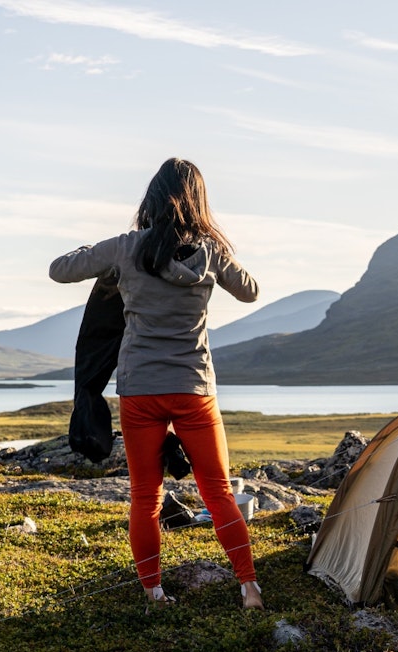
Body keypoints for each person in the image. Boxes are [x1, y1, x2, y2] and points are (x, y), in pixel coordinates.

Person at [50, 158, 264, 610]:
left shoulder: (127, 246)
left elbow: (60, 269)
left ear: (150, 197)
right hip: (194, 388)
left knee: (145, 497)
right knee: (218, 492)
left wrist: (104, 252)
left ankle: (154, 591)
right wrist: (220, 254)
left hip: (140, 390)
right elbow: (250, 291)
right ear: (199, 202)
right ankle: (248, 588)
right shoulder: (210, 253)